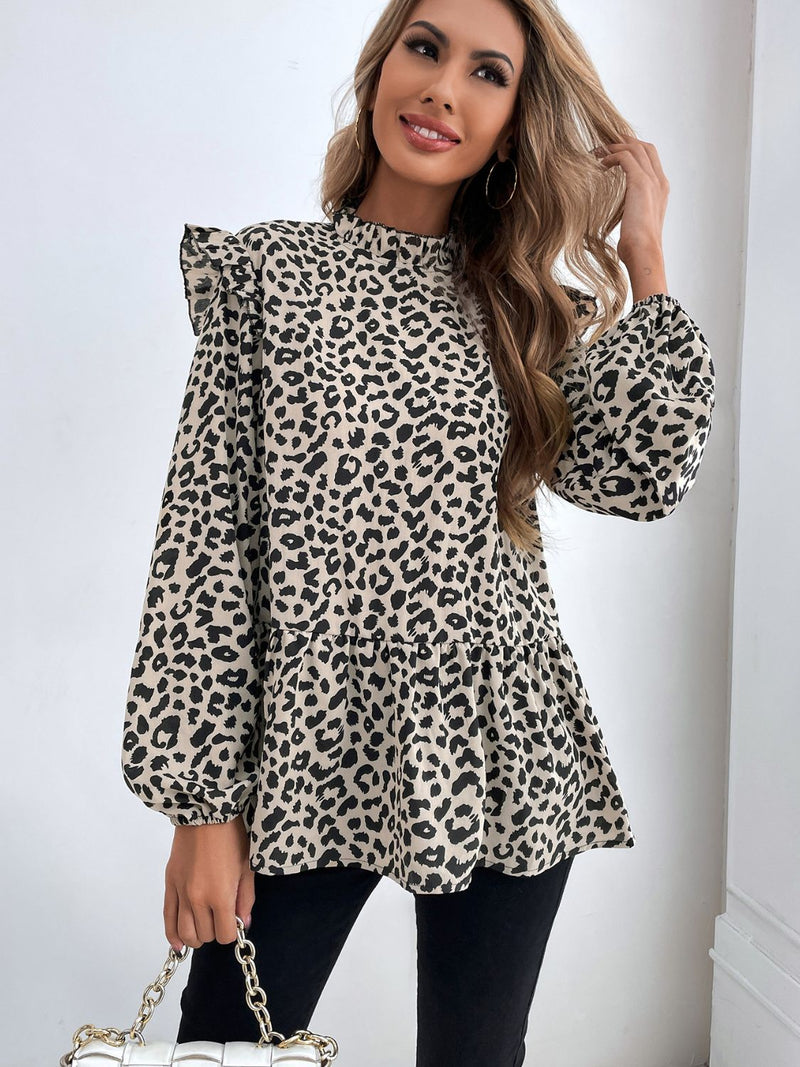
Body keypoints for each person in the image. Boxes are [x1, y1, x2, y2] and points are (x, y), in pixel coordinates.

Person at [119, 0, 716, 1062]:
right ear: (379, 68)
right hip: (309, 744)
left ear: (513, 126)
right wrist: (200, 808)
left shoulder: (522, 306)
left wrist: (645, 253)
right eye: (425, 49)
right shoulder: (269, 276)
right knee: (226, 1041)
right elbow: (206, 548)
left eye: (488, 73)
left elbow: (644, 474)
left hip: (505, 736)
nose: (442, 88)